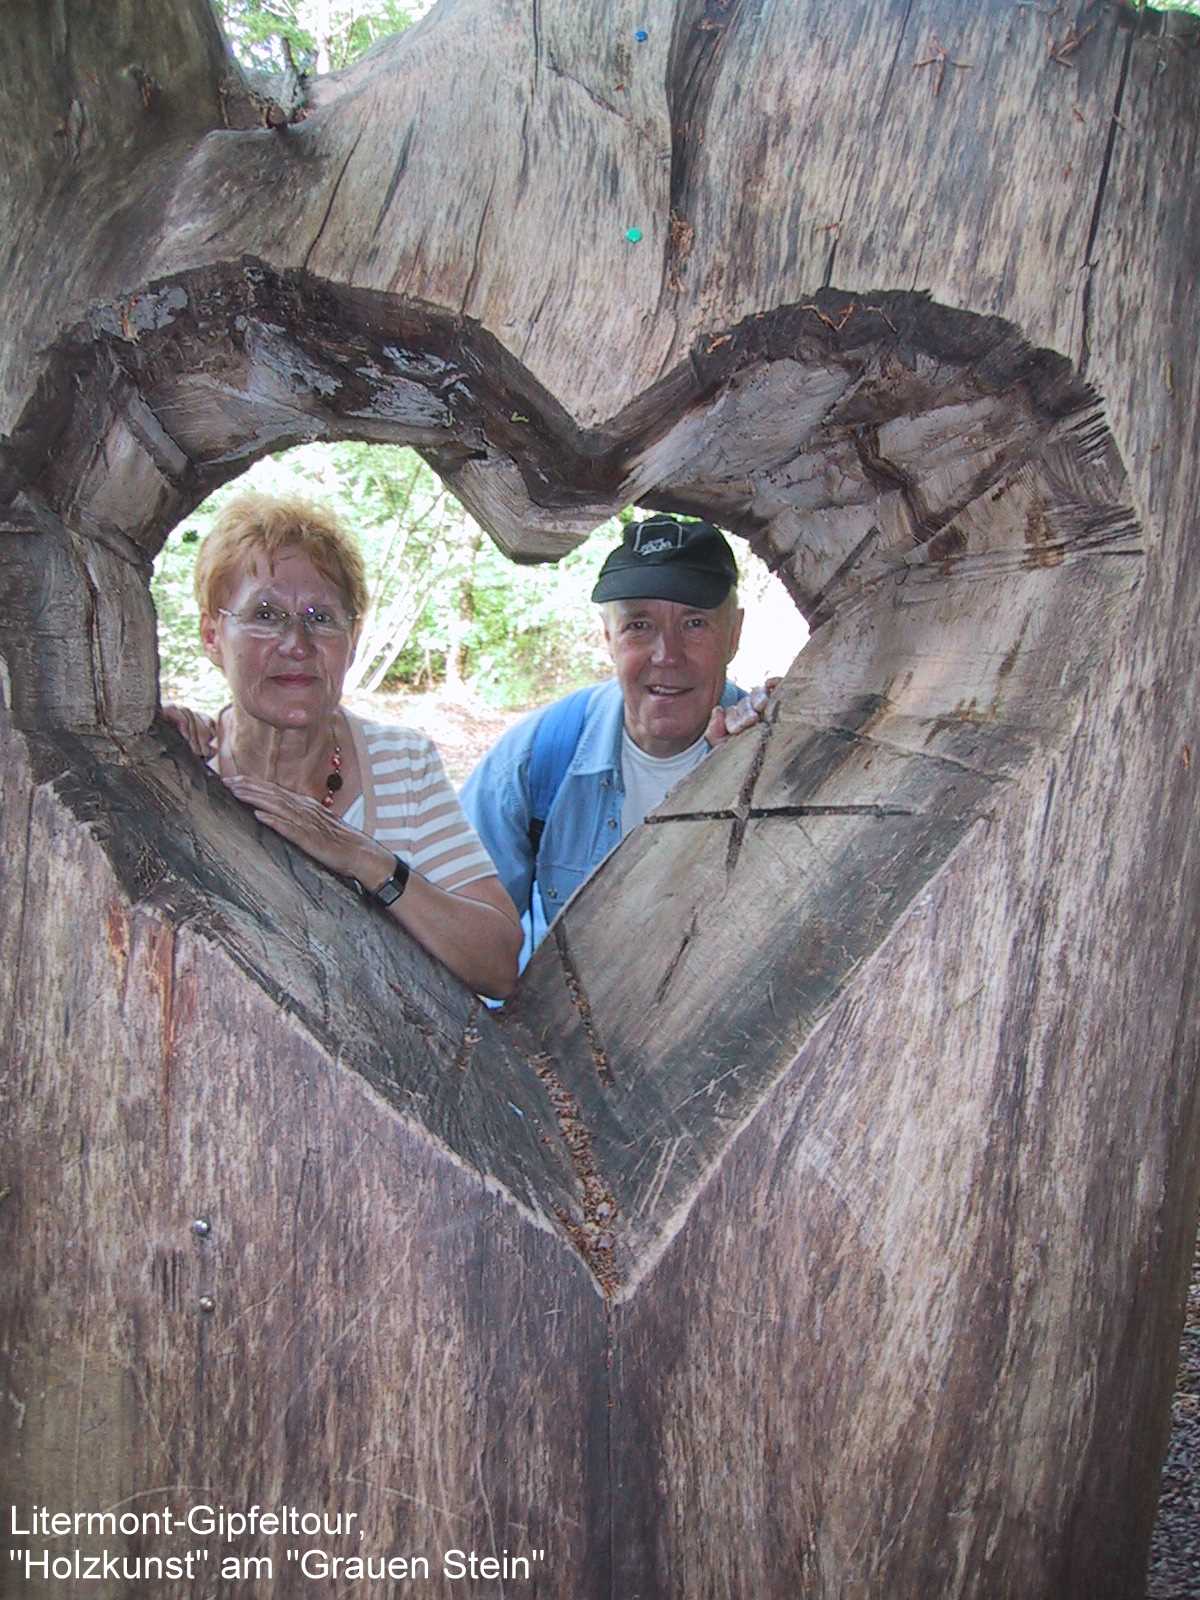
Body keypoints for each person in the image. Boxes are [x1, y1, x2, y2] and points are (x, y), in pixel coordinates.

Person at [169, 491, 521, 997]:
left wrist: (363, 859)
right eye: (265, 614)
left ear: (351, 642)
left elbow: (498, 963)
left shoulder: (401, 767)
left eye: (320, 617)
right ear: (211, 635)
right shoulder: (182, 763)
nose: (297, 643)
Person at [460, 514, 774, 966]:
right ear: (608, 636)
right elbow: (460, 930)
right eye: (639, 626)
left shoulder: (763, 752)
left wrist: (753, 780)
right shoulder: (540, 757)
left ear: (735, 634)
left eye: (694, 624)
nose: (667, 655)